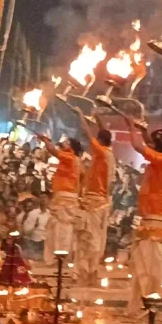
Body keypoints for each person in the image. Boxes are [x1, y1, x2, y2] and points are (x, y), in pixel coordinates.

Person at [120, 113, 162, 317]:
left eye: (152, 142)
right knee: (141, 265)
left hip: (158, 219)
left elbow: (138, 146)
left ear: (158, 147)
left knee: (151, 268)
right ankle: (139, 306)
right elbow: (146, 143)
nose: (148, 144)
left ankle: (150, 305)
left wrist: (130, 127)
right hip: (152, 218)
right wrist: (143, 129)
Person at [72, 111, 115, 286]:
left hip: (95, 202)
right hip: (96, 202)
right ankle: (85, 271)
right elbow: (103, 132)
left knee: (90, 239)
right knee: (86, 238)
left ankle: (88, 271)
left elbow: (86, 132)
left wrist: (80, 114)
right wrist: (97, 116)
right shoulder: (107, 152)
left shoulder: (103, 153)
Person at [35, 133, 82, 264]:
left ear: (72, 147)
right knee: (56, 227)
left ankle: (61, 260)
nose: (63, 144)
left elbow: (53, 151)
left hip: (66, 200)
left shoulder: (70, 157)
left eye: (66, 143)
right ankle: (56, 260)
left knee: (62, 229)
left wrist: (45, 140)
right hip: (63, 197)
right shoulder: (72, 159)